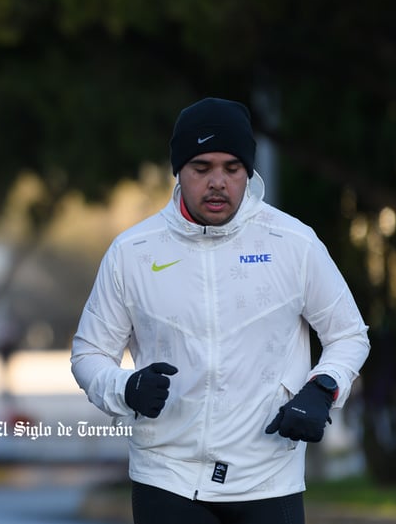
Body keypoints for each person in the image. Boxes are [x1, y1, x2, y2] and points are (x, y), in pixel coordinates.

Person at [70, 97, 370, 524]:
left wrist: (322, 388)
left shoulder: (293, 243)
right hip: (166, 475)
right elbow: (88, 354)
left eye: (232, 168)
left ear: (248, 170)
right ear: (179, 170)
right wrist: (125, 387)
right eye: (202, 167)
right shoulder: (132, 252)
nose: (218, 182)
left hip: (269, 476)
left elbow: (348, 334)